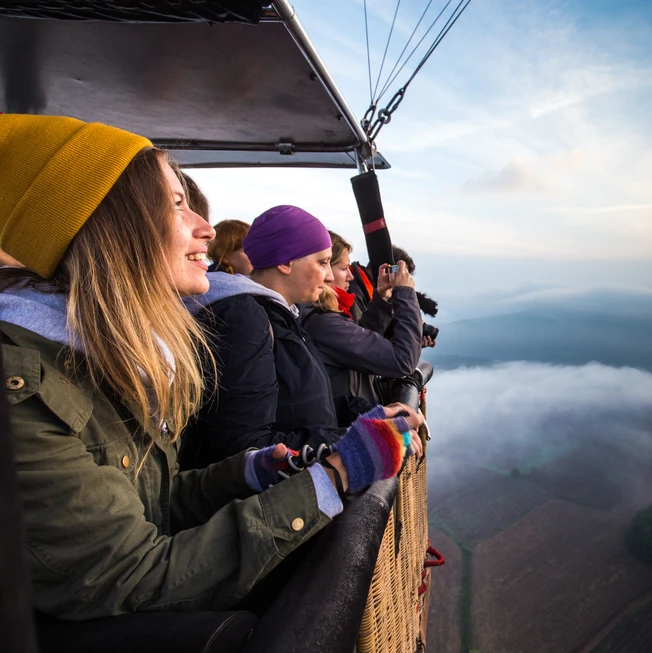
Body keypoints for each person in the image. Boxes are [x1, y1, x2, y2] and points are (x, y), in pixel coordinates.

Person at [0, 114, 422, 620]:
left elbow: (155, 503)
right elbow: (130, 576)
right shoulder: (24, 388)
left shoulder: (104, 357)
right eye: (176, 203)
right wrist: (335, 473)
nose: (206, 226)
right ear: (99, 221)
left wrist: (251, 471)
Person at [179, 206, 344, 468]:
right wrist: (345, 441)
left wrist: (363, 416)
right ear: (286, 262)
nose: (330, 275)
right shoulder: (243, 319)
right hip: (273, 504)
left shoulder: (282, 315)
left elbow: (292, 403)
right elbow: (243, 446)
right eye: (322, 262)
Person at [302, 231, 423, 405]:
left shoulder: (320, 317)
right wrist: (405, 293)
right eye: (344, 269)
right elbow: (403, 360)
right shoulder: (324, 324)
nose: (351, 276)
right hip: (348, 426)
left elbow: (360, 342)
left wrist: (382, 300)